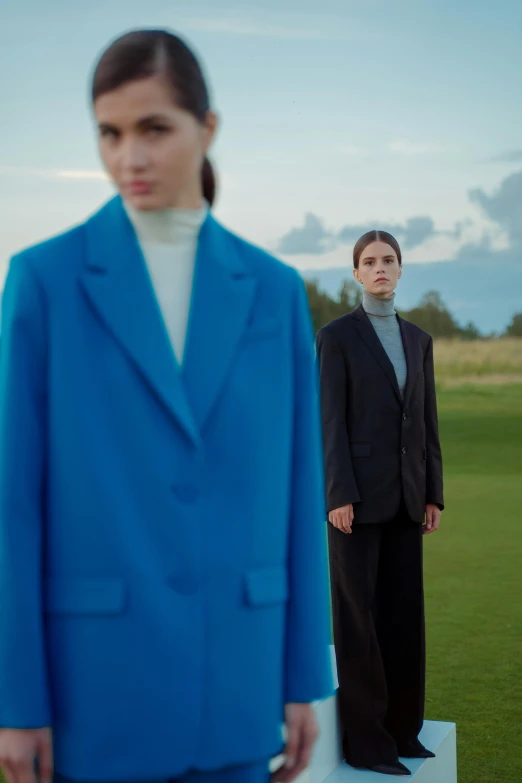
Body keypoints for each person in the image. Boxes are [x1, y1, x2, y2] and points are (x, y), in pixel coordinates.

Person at [0, 29, 333, 783]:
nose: (130, 158)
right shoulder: (43, 281)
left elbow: (295, 491)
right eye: (110, 134)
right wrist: (17, 701)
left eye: (154, 129)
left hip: (241, 686)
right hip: (94, 691)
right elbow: (11, 505)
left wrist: (303, 677)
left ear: (207, 128)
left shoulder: (275, 291)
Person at [316, 230, 444, 777]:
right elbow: (329, 421)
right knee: (358, 622)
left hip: (406, 500)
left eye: (389, 259)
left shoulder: (418, 339)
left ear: (400, 268)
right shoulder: (337, 336)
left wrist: (433, 492)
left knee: (402, 617)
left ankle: (402, 732)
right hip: (355, 503)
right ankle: (366, 743)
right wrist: (338, 492)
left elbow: (427, 422)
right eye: (369, 262)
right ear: (356, 273)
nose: (380, 268)